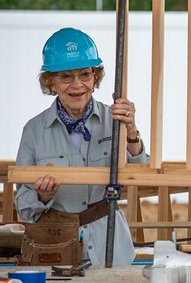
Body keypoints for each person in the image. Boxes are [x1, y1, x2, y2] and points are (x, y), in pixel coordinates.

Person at [15, 27, 149, 266]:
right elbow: (23, 205)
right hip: (55, 247)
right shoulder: (34, 130)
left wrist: (131, 132)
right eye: (65, 76)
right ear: (50, 81)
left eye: (85, 74)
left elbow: (143, 176)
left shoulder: (116, 122)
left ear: (95, 77)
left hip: (110, 243)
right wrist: (41, 195)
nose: (77, 85)